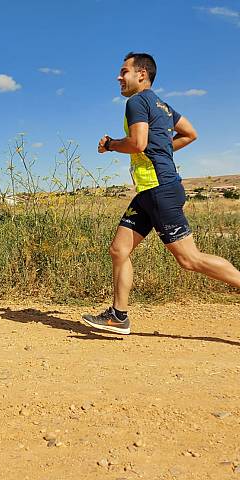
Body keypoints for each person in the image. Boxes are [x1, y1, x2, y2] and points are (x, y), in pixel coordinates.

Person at [82, 52, 240, 335]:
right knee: (119, 249)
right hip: (148, 191)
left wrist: (110, 145)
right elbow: (190, 133)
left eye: (124, 71)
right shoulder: (163, 106)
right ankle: (119, 316)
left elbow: (138, 143)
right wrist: (163, 148)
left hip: (159, 189)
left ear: (141, 74)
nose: (119, 77)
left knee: (189, 259)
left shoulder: (137, 101)